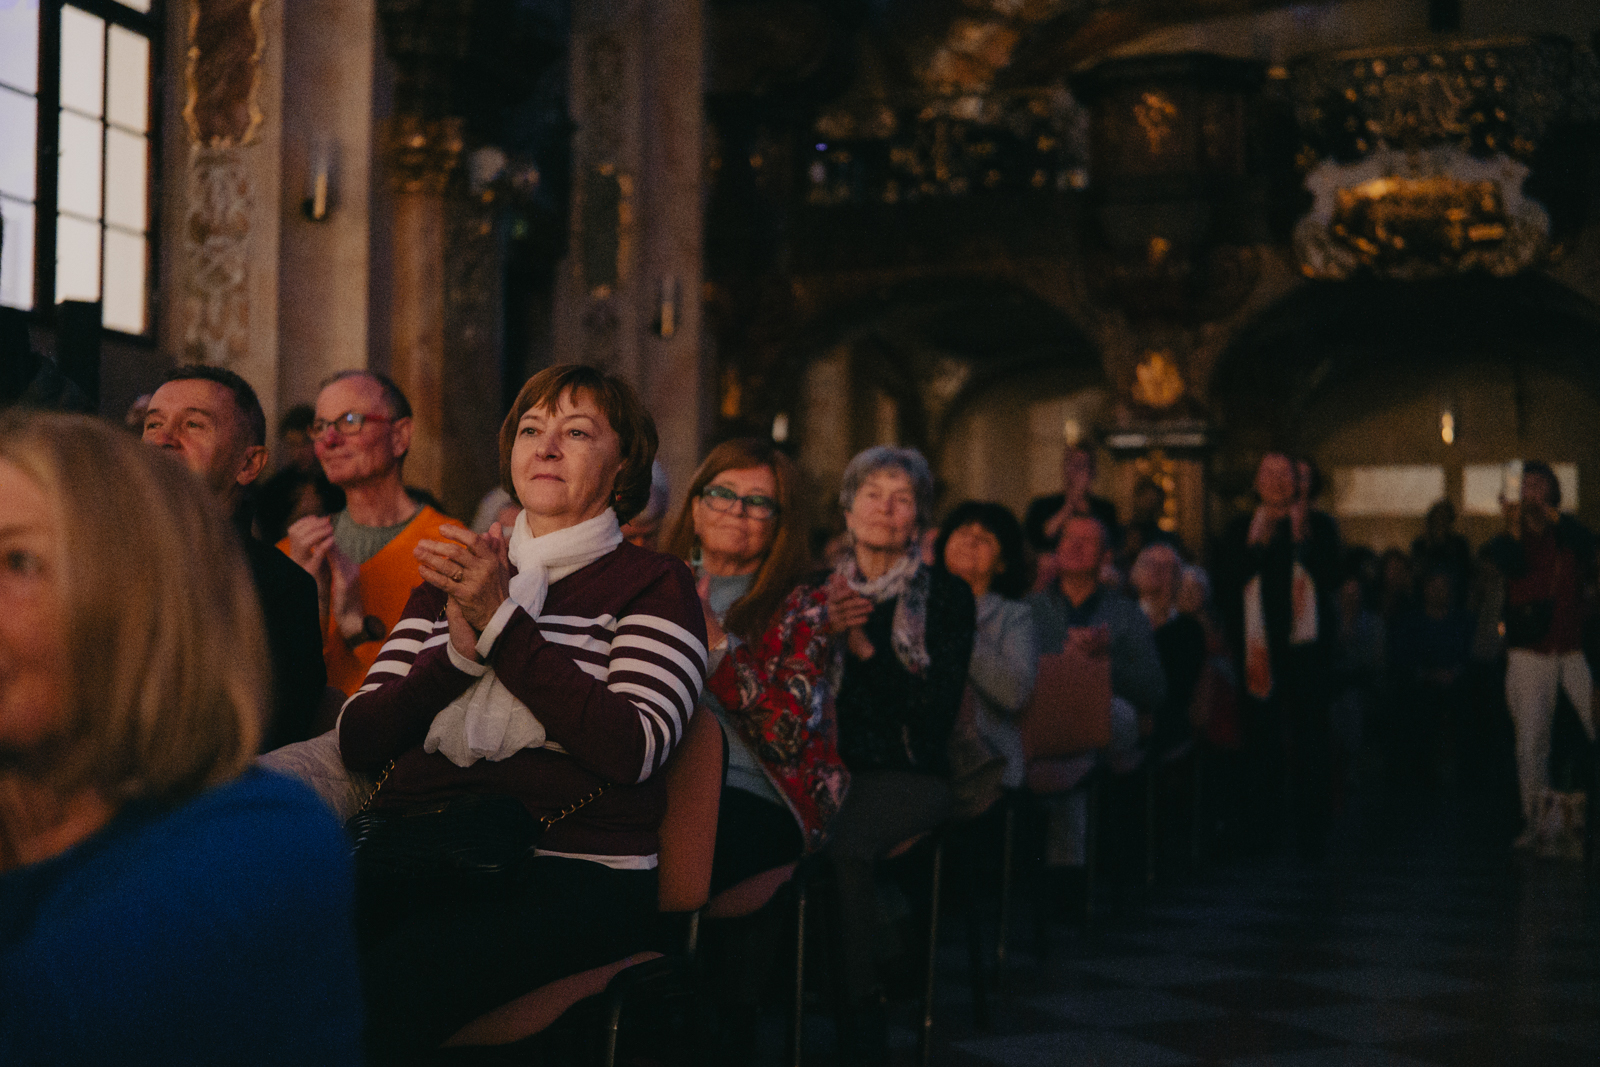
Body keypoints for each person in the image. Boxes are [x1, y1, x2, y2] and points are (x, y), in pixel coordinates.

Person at [336, 364, 708, 1062]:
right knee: (257, 945)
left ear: (623, 465)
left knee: (382, 984)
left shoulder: (656, 584)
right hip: (414, 849)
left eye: (577, 432)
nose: (547, 446)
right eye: (532, 430)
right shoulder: (454, 574)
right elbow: (360, 740)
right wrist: (457, 657)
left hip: (572, 868)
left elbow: (633, 746)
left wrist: (501, 624)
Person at [0, 410, 363, 1065]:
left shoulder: (253, 846)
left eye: (19, 560)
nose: (166, 436)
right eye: (154, 420)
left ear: (139, 601)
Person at [664, 438, 847, 1065]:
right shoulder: (652, 579)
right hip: (653, 779)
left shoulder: (804, 604)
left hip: (761, 788)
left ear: (780, 522)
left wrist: (717, 639)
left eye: (758, 502)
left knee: (671, 857)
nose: (737, 511)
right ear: (695, 504)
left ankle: (699, 1023)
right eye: (722, 493)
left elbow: (786, 732)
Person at [823, 445, 974, 1063]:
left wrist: (860, 644)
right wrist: (819, 630)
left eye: (902, 498)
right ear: (848, 511)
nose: (885, 509)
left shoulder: (947, 597)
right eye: (872, 495)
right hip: (822, 764)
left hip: (909, 770)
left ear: (919, 520)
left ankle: (862, 1020)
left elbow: (932, 715)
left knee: (842, 842)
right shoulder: (816, 590)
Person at [142, 365, 327, 750]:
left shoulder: (281, 588)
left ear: (248, 465)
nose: (163, 439)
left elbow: (265, 739)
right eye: (153, 424)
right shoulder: (95, 560)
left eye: (193, 425)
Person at [280, 370, 459, 695]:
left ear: (400, 436)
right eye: (320, 427)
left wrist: (356, 629)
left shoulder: (449, 548)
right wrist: (309, 605)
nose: (329, 440)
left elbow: (443, 691)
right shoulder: (295, 551)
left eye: (350, 421)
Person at [1213, 452, 1341, 857]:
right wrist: (1256, 547)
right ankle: (1262, 828)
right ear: (1256, 482)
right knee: (1260, 739)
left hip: (1307, 649)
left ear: (1297, 481)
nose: (1276, 480)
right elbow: (1228, 581)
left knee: (1311, 738)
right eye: (1266, 473)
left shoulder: (1319, 525)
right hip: (1258, 647)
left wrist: (1302, 537)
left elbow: (1331, 577)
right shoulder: (1239, 528)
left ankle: (1311, 831)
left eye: (1283, 473)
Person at [1029, 515, 1165, 876]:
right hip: (1045, 716)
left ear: (1106, 556)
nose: (1074, 546)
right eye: (1068, 538)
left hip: (1102, 720)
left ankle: (1067, 872)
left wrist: (1104, 663)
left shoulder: (1125, 613)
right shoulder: (1031, 608)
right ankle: (1066, 872)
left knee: (1086, 738)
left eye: (1087, 541)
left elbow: (1153, 688)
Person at [1479, 460, 1598, 849]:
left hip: (1574, 648)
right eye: (1525, 485)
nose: (1531, 491)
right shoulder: (1508, 540)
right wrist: (1513, 524)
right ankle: (1536, 821)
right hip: (1530, 651)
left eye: (1538, 485)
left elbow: (1589, 544)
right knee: (1531, 740)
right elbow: (1509, 563)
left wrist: (1552, 517)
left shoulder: (1568, 532)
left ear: (1551, 491)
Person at [934, 501, 1037, 812]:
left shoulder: (1014, 616)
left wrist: (961, 630)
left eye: (986, 538)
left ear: (1002, 564)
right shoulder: (916, 601)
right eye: (963, 531)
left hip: (985, 759)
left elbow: (1015, 693)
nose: (971, 539)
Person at [1130, 542, 1205, 755]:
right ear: (1135, 574)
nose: (1156, 569)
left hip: (1169, 728)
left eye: (1166, 566)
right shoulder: (1120, 621)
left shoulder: (1189, 630)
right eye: (1149, 563)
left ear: (1178, 577)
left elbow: (1180, 687)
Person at [1023, 442, 1119, 555]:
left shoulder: (1106, 509)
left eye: (1081, 465)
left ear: (1092, 472)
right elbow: (1037, 541)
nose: (1074, 471)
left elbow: (1110, 545)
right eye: (1070, 464)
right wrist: (1070, 506)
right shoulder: (1042, 506)